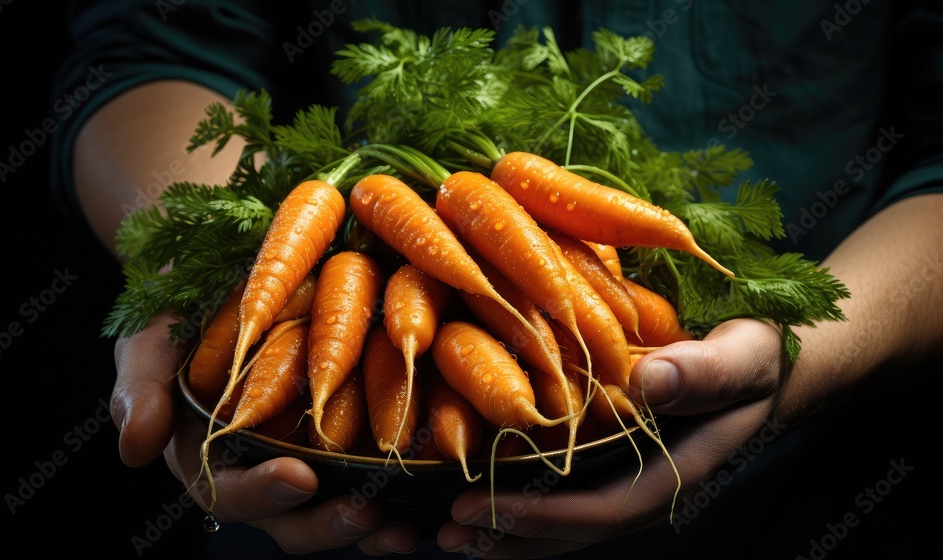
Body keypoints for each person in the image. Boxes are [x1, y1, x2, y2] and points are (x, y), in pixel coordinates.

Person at [52, 1, 942, 557]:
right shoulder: (360, 246)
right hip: (308, 502)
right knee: (354, 341)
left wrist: (811, 357)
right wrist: (207, 270)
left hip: (785, 506)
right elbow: (146, 46)